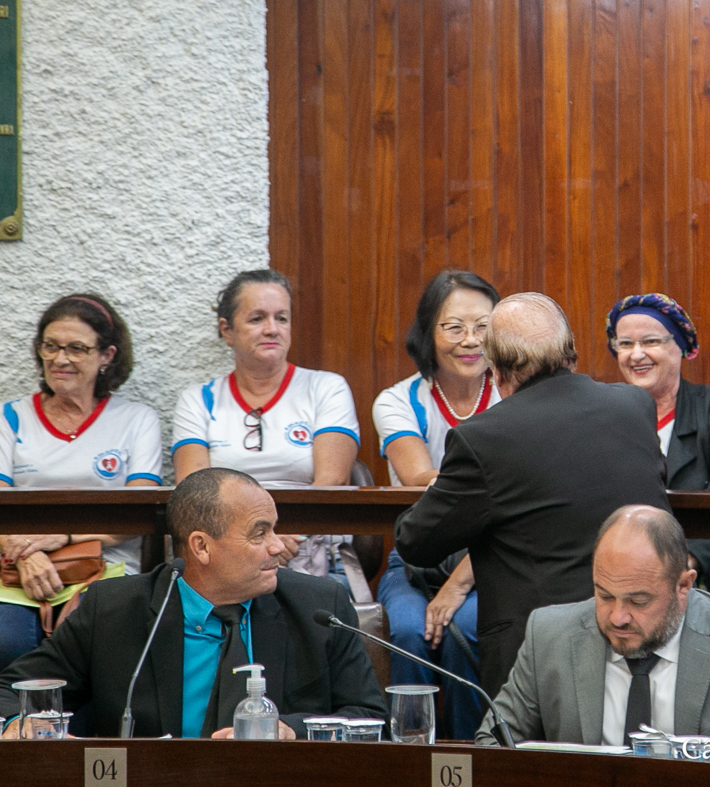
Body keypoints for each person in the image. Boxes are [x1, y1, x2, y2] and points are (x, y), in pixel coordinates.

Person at [395, 292, 670, 698]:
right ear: (571, 354)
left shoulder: (483, 439)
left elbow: (416, 543)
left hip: (538, 656)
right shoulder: (634, 404)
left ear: (496, 371)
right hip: (646, 630)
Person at [0, 467, 388, 739]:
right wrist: (20, 723)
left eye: (274, 529)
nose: (277, 546)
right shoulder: (114, 610)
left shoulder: (318, 607)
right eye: (259, 534)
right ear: (201, 546)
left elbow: (370, 718)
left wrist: (292, 730)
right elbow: (11, 691)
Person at [475, 505, 710, 746]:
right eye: (605, 595)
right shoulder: (548, 635)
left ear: (683, 586)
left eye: (638, 601)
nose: (617, 617)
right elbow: (493, 744)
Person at [172, 269, 378, 600]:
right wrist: (258, 543)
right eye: (257, 318)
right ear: (227, 330)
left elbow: (332, 481)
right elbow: (195, 493)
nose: (272, 329)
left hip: (310, 549)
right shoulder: (198, 400)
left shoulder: (325, 388)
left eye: (281, 318)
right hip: (227, 557)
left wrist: (282, 538)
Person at [0, 294, 162, 671]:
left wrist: (64, 536)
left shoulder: (136, 420)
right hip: (16, 566)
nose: (60, 359)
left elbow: (137, 514)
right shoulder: (10, 417)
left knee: (96, 640)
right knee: (8, 642)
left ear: (107, 355)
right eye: (51, 346)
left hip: (108, 567)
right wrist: (27, 554)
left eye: (76, 348)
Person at [371, 270, 501, 739]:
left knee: (465, 626)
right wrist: (498, 483)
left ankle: (472, 751)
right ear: (428, 332)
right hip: (415, 559)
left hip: (493, 556)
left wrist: (458, 585)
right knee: (409, 632)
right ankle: (410, 755)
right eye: (454, 327)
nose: (471, 341)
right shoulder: (398, 400)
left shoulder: (514, 395)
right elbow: (420, 478)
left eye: (483, 327)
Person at [605, 293, 710, 594]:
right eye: (625, 344)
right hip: (619, 570)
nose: (636, 355)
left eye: (650, 341)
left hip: (702, 572)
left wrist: (686, 560)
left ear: (679, 346)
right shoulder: (605, 416)